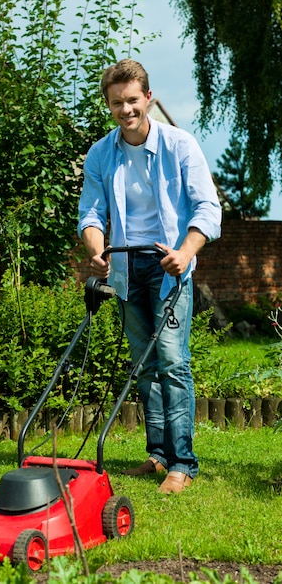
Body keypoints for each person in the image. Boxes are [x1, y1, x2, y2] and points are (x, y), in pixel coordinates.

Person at [77, 59, 222, 494]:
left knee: (174, 364)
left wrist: (185, 253)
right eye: (117, 103)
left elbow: (207, 209)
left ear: (149, 99)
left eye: (133, 100)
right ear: (109, 105)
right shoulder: (101, 153)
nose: (126, 110)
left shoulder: (180, 145)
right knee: (144, 368)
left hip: (168, 267)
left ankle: (183, 464)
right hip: (124, 267)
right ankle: (158, 456)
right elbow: (90, 212)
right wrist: (96, 251)